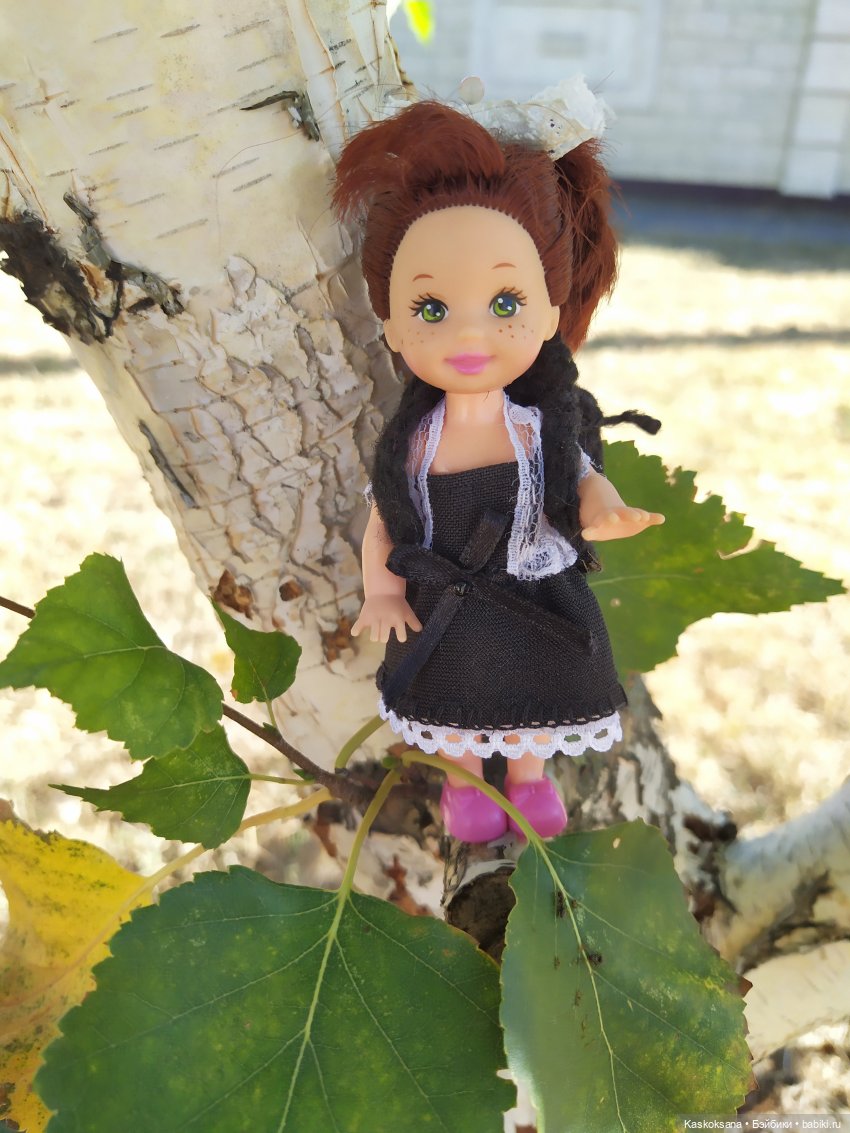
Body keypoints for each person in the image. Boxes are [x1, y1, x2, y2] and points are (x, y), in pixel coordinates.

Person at [333, 100, 664, 842]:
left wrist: (602, 509)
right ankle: (464, 785)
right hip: (443, 607)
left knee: (535, 698)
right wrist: (383, 588)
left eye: (505, 302)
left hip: (533, 599)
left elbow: (580, 478)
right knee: (451, 703)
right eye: (431, 308)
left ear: (546, 316)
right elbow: (384, 518)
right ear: (392, 325)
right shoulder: (413, 443)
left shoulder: (538, 429)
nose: (470, 332)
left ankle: (528, 779)